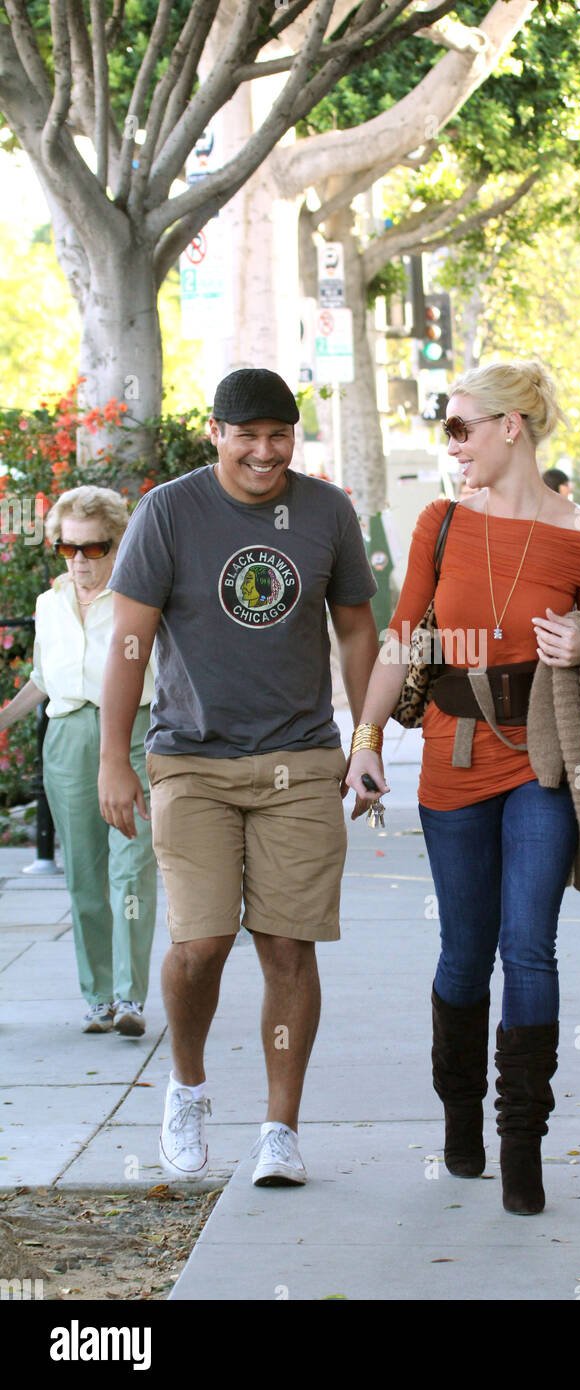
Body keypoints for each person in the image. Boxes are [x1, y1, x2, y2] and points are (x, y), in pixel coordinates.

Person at [345, 359, 580, 1216]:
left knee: (528, 944)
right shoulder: (437, 523)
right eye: (447, 429)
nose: (452, 443)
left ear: (514, 427)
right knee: (464, 952)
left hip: (542, 759)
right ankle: (460, 1112)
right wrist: (363, 740)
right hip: (453, 758)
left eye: (462, 426)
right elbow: (401, 640)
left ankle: (522, 1142)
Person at [97, 368, 379, 1187]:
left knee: (289, 944)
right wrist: (116, 757)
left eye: (279, 435)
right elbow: (129, 641)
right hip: (191, 757)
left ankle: (280, 1132)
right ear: (214, 432)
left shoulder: (326, 512)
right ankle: (186, 1087)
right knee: (201, 944)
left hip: (301, 758)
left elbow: (358, 631)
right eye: (246, 435)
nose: (264, 452)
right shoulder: (170, 512)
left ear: (294, 436)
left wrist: (366, 742)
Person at [0, 487, 157, 1035]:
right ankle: (98, 997)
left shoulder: (141, 598)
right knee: (85, 877)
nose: (80, 561)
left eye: (94, 548)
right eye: (68, 549)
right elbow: (45, 679)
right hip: (67, 739)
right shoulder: (50, 604)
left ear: (117, 543)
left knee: (132, 867)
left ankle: (130, 996)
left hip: (134, 734)